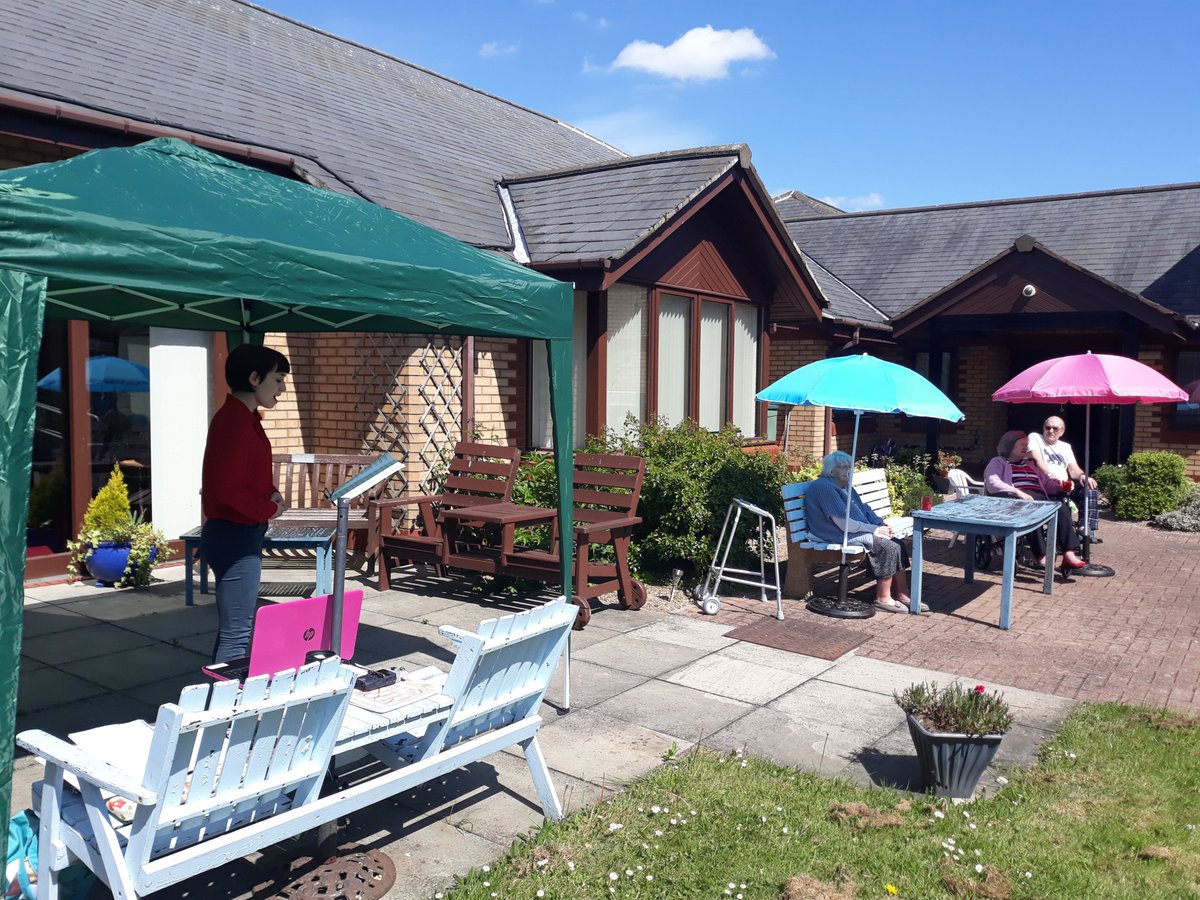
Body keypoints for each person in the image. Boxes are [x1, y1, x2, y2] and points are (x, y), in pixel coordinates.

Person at [201, 344, 290, 662]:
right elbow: (227, 491)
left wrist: (270, 492)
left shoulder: (244, 419)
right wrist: (269, 509)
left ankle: (218, 699)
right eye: (278, 379)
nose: (282, 388)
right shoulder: (234, 423)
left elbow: (245, 473)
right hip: (234, 536)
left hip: (238, 534)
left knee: (233, 630)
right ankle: (226, 704)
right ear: (255, 378)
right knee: (238, 634)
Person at [805, 451, 925, 614]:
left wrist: (879, 523)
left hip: (853, 529)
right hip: (834, 532)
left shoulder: (846, 486)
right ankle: (883, 599)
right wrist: (874, 530)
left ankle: (903, 594)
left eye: (849, 466)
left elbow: (864, 509)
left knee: (898, 543)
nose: (847, 470)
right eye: (842, 467)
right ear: (831, 471)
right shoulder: (824, 487)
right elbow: (844, 524)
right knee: (886, 546)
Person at [984, 430, 1085, 570]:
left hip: (1037, 498)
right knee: (1032, 510)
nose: (1026, 447)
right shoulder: (998, 462)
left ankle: (1069, 553)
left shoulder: (1029, 465)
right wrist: (1017, 492)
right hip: (1015, 500)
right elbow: (992, 482)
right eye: (1022, 444)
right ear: (1009, 446)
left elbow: (1046, 483)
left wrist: (1061, 488)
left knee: (1060, 507)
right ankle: (1041, 555)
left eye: (1027, 444)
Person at [1027, 415, 1098, 494]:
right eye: (1048, 427)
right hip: (1042, 484)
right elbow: (1037, 459)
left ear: (1062, 431)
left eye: (1055, 428)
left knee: (1091, 490)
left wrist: (1082, 476)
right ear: (1043, 428)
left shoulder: (1066, 446)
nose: (1051, 431)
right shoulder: (1035, 437)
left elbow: (1073, 470)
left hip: (1063, 487)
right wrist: (1050, 475)